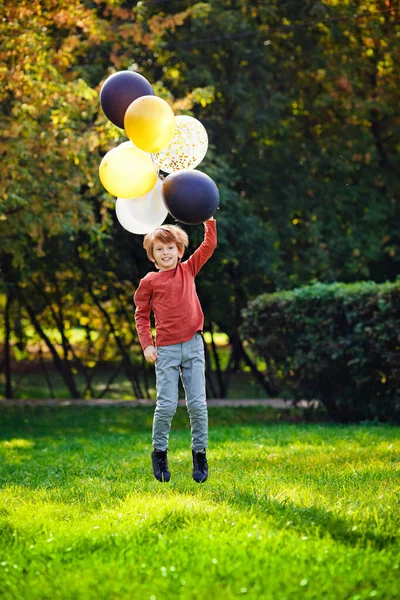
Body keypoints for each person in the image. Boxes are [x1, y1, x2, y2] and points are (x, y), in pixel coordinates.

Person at [134, 217, 217, 483]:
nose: (166, 253)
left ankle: (200, 454)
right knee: (167, 405)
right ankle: (159, 452)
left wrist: (209, 220)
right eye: (159, 249)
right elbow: (141, 316)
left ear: (180, 251)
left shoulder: (188, 269)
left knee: (198, 405)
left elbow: (209, 245)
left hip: (193, 345)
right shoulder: (149, 282)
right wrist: (147, 344)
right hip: (167, 350)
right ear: (152, 255)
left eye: (170, 248)